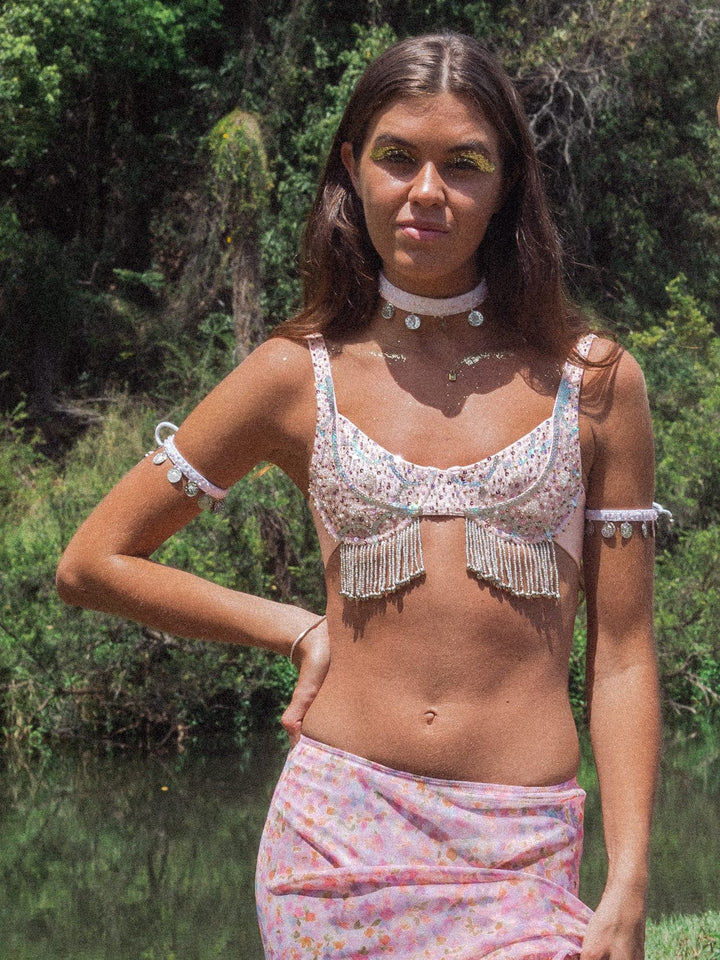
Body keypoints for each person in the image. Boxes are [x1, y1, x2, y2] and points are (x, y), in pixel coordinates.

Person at [57, 33, 661, 960]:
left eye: (465, 164)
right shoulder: (292, 376)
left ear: (507, 184)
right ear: (353, 166)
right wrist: (295, 627)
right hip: (333, 839)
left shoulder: (595, 383)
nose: (428, 190)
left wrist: (629, 879)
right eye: (398, 157)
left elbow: (621, 654)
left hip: (519, 847)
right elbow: (94, 562)